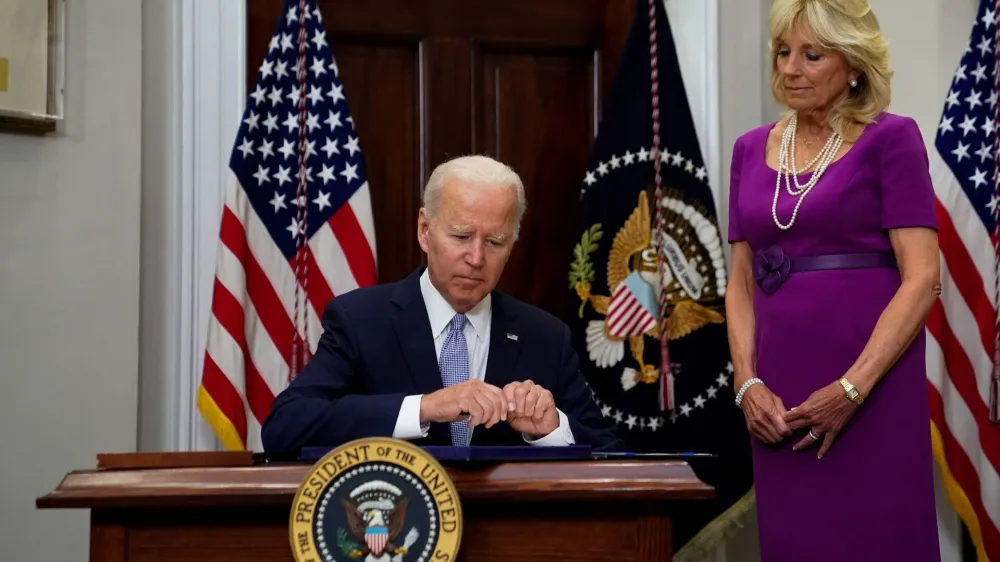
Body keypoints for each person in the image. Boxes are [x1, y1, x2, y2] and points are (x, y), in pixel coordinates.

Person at [725, 1, 941, 560]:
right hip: (779, 401)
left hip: (871, 389)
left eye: (811, 56)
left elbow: (922, 278)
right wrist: (746, 384)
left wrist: (851, 389)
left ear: (853, 64)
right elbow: (740, 282)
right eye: (782, 52)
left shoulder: (892, 139)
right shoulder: (748, 149)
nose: (789, 69)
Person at [261, 155, 622, 454]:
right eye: (461, 236)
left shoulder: (545, 336)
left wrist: (550, 429)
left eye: (495, 242)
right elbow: (285, 427)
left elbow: (612, 455)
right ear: (425, 230)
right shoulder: (360, 321)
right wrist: (426, 407)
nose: (476, 258)